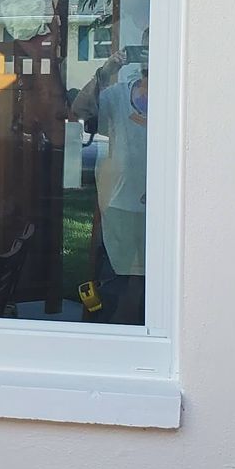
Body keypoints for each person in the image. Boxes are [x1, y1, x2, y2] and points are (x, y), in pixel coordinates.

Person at [92, 62, 148, 325]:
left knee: (151, 278)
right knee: (123, 278)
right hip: (121, 202)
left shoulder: (177, 93)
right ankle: (115, 327)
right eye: (145, 51)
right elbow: (80, 110)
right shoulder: (117, 95)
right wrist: (104, 71)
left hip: (162, 205)